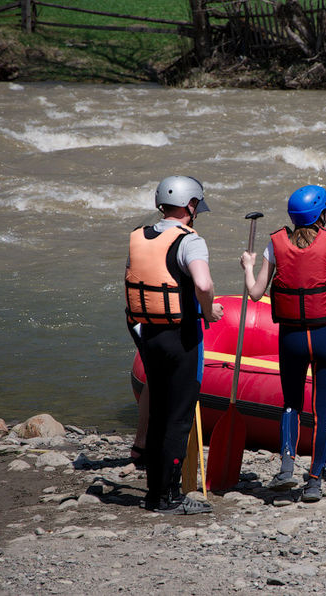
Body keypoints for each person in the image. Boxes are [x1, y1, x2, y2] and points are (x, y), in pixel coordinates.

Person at [241, 185, 326, 502]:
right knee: (322, 408)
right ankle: (314, 480)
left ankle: (286, 468)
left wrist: (247, 266)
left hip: (293, 338)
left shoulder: (275, 246)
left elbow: (256, 293)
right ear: (321, 216)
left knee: (291, 405)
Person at [125, 175, 223, 514]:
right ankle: (168, 498)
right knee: (178, 417)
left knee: (159, 413)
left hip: (147, 335)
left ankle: (154, 494)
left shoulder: (139, 236)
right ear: (191, 206)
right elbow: (204, 283)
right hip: (180, 337)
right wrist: (209, 311)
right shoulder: (190, 241)